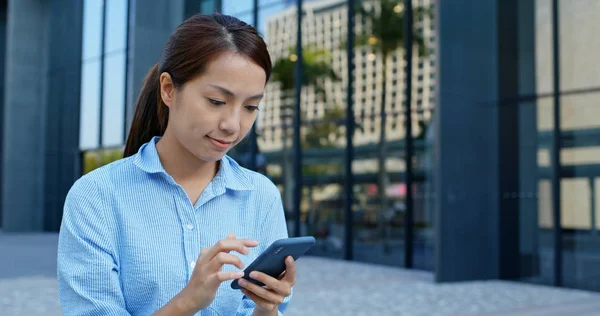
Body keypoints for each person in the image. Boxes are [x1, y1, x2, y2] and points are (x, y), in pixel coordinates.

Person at [57, 13, 294, 316]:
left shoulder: (261, 195)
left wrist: (267, 308)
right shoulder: (97, 197)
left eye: (250, 107)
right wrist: (187, 302)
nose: (233, 125)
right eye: (216, 102)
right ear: (168, 89)